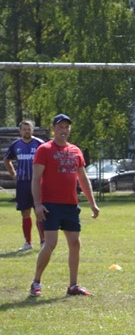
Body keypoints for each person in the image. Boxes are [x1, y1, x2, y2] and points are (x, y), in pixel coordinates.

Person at [29, 114, 100, 298]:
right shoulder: (44, 149)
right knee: (50, 243)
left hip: (70, 205)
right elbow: (36, 178)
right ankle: (36, 281)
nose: (64, 130)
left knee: (75, 244)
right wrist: (37, 204)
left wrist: (92, 203)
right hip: (50, 205)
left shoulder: (76, 151)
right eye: (60, 127)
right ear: (53, 129)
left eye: (67, 127)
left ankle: (73, 286)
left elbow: (83, 178)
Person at [4, 119, 45, 252]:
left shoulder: (39, 144)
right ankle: (28, 242)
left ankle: (43, 241)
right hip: (22, 183)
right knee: (25, 213)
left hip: (37, 183)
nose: (26, 131)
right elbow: (7, 160)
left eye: (29, 129)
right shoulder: (16, 145)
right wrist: (13, 174)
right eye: (24, 129)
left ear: (32, 130)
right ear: (20, 131)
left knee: (39, 212)